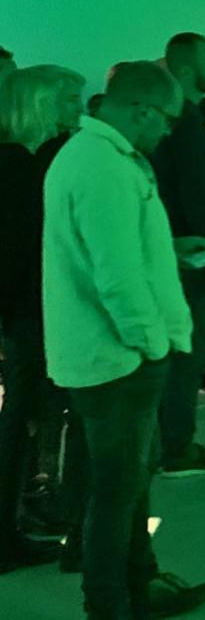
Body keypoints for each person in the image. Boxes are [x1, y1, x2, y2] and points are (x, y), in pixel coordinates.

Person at [43, 61, 205, 620]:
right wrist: (154, 346)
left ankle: (140, 586)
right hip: (117, 358)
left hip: (111, 352)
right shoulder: (101, 166)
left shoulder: (103, 158)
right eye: (165, 119)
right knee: (116, 492)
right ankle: (110, 604)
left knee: (130, 485)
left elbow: (126, 255)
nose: (167, 131)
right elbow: (116, 277)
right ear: (141, 110)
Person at [0, 65, 83, 573]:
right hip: (30, 316)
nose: (78, 108)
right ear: (42, 104)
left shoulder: (23, 161)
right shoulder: (16, 166)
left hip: (28, 314)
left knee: (24, 423)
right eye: (70, 99)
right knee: (20, 424)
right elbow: (16, 256)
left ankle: (17, 525)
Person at [150, 33, 205, 478]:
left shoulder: (178, 119)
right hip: (190, 255)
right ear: (185, 67)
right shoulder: (184, 122)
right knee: (186, 354)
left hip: (174, 250)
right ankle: (176, 446)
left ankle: (167, 442)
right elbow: (196, 196)